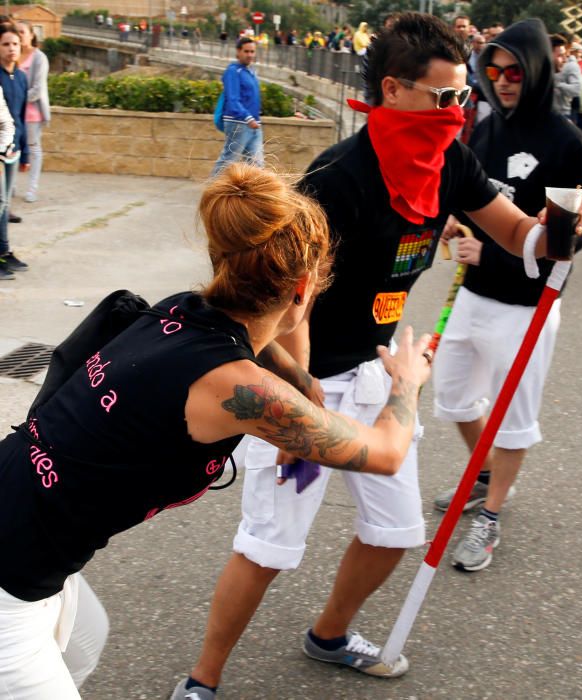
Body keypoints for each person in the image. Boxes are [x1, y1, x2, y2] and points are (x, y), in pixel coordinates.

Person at [173, 13, 582, 697]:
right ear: (392, 90)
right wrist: (296, 396)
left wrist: (557, 232)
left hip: (377, 372)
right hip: (303, 376)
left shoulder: (450, 159)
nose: (458, 113)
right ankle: (202, 680)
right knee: (269, 546)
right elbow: (283, 303)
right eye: (444, 98)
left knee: (396, 532)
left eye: (464, 98)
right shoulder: (336, 178)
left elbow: (515, 232)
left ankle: (329, 635)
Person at [0, 163, 435, 698]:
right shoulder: (236, 387)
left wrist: (300, 379)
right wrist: (407, 382)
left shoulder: (179, 312)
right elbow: (387, 452)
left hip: (25, 539)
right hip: (10, 581)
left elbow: (259, 343)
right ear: (303, 289)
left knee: (85, 643)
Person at [431, 18, 582, 572]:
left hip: (527, 305)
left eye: (514, 71)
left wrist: (496, 251)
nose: (502, 81)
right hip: (475, 293)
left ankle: (492, 513)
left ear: (539, 72)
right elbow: (471, 197)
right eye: (493, 70)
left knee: (513, 418)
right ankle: (484, 473)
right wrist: (454, 221)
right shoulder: (486, 128)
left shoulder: (568, 144)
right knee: (452, 397)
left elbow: (568, 243)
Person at [0, 24, 28, 278]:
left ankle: (4, 251)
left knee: (5, 205)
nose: (11, 49)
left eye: (15, 44)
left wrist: (25, 153)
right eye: (6, 44)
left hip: (14, 150)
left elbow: (21, 117)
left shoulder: (20, 77)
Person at [212, 37, 263, 176]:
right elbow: (232, 99)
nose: (250, 55)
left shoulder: (250, 71)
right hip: (238, 122)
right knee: (228, 160)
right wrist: (248, 117)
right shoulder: (233, 71)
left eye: (252, 52)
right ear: (238, 52)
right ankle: (212, 192)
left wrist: (254, 119)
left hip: (253, 124)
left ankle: (254, 196)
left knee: (256, 164)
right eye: (246, 51)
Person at [15, 21, 47, 204]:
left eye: (22, 32)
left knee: (33, 150)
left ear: (31, 35)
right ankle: (10, 186)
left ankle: (32, 189)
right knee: (12, 149)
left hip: (31, 112)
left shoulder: (39, 58)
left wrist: (16, 98)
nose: (19, 36)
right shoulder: (12, 55)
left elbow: (37, 89)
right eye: (16, 32)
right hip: (11, 112)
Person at [551, 33, 580, 120]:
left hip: (561, 115)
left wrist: (558, 84)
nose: (564, 60)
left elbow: (576, 89)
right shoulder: (537, 72)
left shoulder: (572, 65)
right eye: (560, 55)